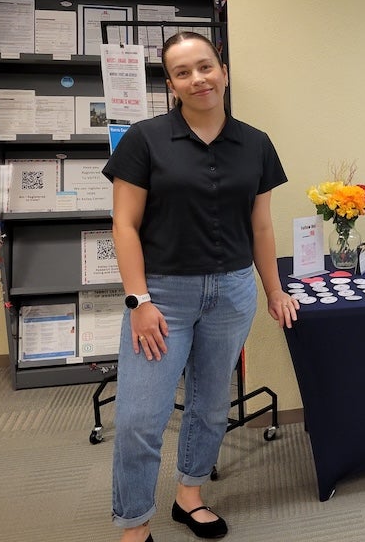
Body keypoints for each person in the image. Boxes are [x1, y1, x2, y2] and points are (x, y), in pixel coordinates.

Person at [103, 31, 300, 542]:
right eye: (184, 72)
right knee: (140, 419)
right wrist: (139, 300)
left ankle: (189, 495)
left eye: (206, 67)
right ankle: (133, 526)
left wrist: (274, 290)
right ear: (171, 84)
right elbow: (124, 225)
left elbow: (261, 227)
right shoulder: (145, 140)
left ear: (224, 72)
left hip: (231, 293)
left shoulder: (255, 143)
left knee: (211, 405)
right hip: (162, 296)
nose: (198, 79)